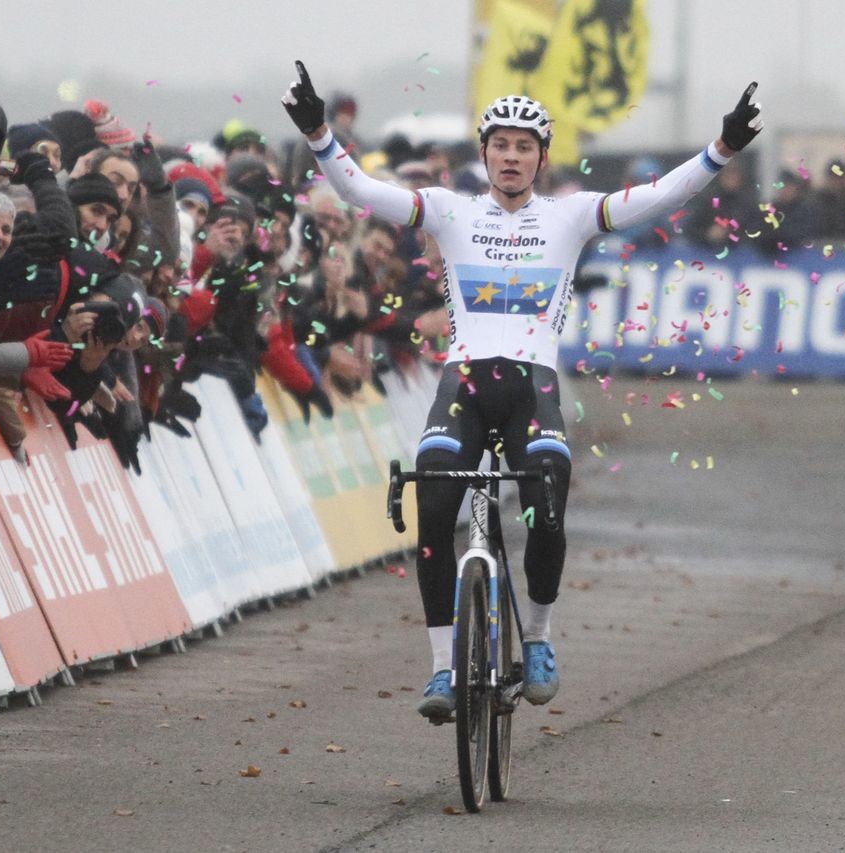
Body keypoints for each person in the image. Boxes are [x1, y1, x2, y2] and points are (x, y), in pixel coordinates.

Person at [282, 61, 764, 720]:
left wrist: (722, 150)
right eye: (501, 146)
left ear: (541, 158)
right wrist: (318, 136)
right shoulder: (450, 211)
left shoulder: (568, 217)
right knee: (433, 506)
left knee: (547, 501)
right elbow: (364, 191)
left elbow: (655, 198)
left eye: (524, 147)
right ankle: (442, 668)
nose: (511, 157)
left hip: (532, 388)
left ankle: (536, 638)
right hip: (465, 383)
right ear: (484, 155)